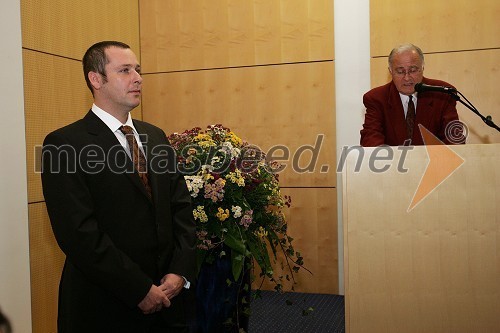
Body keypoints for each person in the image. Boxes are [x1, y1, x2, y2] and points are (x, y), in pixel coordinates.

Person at [41, 41, 196, 333]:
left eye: (137, 70)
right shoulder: (64, 144)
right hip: (104, 306)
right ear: (96, 79)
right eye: (125, 70)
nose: (137, 78)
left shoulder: (155, 135)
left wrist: (180, 271)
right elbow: (78, 234)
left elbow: (181, 207)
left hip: (168, 301)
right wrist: (138, 289)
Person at [360, 43, 463, 146]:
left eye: (413, 70)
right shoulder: (376, 98)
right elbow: (371, 139)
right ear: (390, 71)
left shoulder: (442, 94)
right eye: (400, 72)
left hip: (436, 160)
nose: (407, 78)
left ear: (422, 68)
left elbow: (454, 138)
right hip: (394, 161)